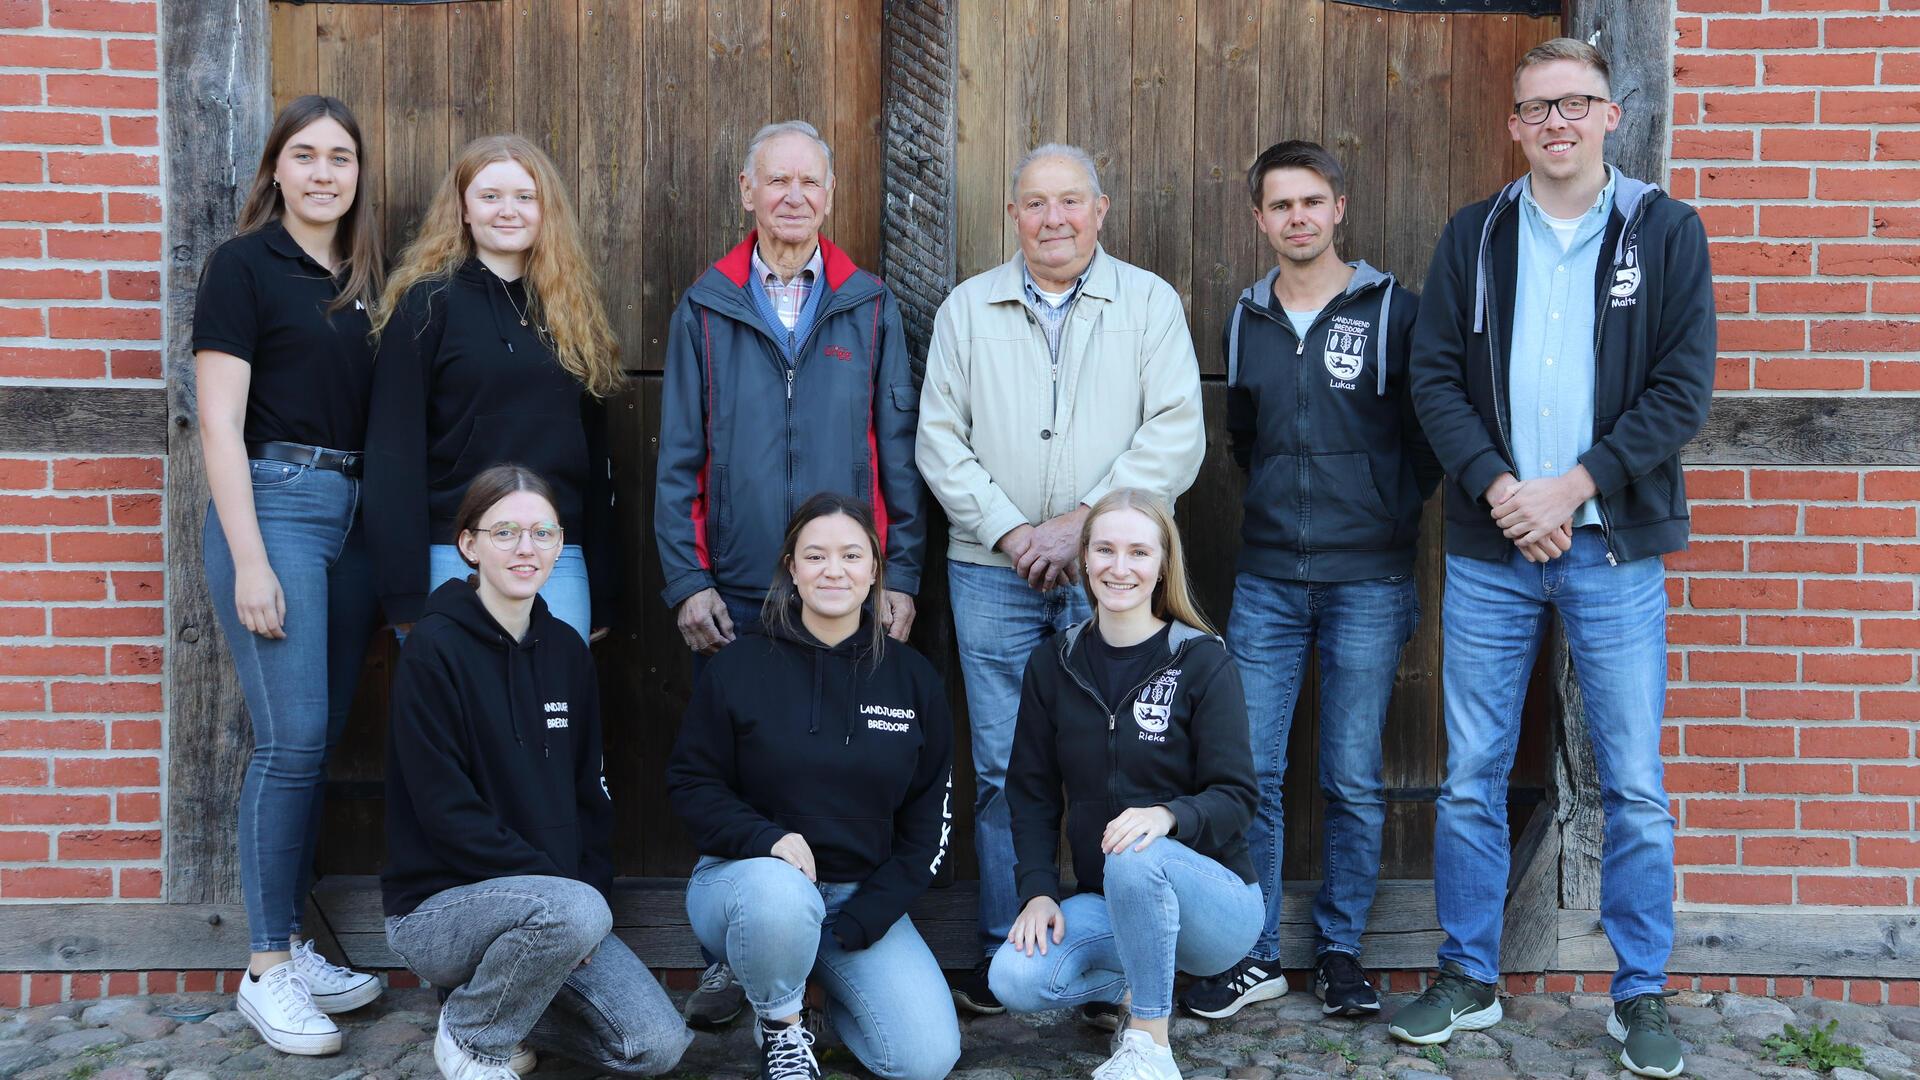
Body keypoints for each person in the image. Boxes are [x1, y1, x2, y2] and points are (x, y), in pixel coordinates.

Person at [1396, 39, 1715, 1080]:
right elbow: (1434, 378)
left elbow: (1682, 393)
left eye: (1576, 104)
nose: (1557, 124)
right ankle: (1467, 976)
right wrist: (1502, 490)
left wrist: (1569, 489)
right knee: (1471, 775)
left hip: (1610, 546)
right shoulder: (1475, 234)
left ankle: (1639, 996)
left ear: (1611, 116)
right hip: (1494, 545)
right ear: (1515, 126)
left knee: (1632, 781)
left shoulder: (1664, 232)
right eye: (1537, 108)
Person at [916, 143, 1205, 1012]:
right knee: (1007, 767)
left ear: (1101, 209)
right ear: (1014, 215)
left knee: (1132, 765)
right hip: (991, 571)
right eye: (1035, 203)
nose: (1054, 219)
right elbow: (940, 439)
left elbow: (1176, 431)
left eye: (1070, 202)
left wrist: (1078, 525)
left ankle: (1124, 965)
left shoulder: (1148, 303)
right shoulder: (968, 309)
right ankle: (1018, 950)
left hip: (1113, 569)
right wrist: (1013, 533)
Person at [656, 118, 926, 1025]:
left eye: (810, 183)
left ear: (830, 195)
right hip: (735, 591)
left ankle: (834, 958)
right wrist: (687, 581)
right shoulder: (706, 305)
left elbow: (896, 457)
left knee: (840, 765)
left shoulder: (870, 306)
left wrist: (902, 574)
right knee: (741, 780)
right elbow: (679, 462)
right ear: (747, 190)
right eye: (776, 182)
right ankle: (744, 951)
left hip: (847, 591)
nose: (793, 198)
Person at [1179, 141, 1442, 1022]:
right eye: (1279, 205)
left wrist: (1381, 512)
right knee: (1249, 771)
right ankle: (1253, 951)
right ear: (1259, 219)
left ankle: (1339, 952)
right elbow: (1243, 441)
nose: (1297, 218)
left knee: (1351, 776)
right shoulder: (1246, 318)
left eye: (1311, 202)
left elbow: (1427, 434)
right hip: (1266, 585)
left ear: (1338, 208)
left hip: (1367, 577)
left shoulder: (1394, 311)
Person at [383, 465, 692, 1080]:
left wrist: (587, 906)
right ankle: (474, 1036)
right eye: (505, 533)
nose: (527, 549)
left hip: (558, 912)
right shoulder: (433, 650)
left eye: (542, 533)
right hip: (439, 910)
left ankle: (485, 1001)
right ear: (469, 545)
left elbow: (590, 798)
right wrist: (568, 903)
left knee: (656, 1047)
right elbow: (446, 813)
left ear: (558, 544)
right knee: (571, 913)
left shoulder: (567, 652)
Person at [194, 93, 387, 1056]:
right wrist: (252, 559)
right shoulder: (243, 266)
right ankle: (267, 966)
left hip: (349, 521)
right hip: (273, 506)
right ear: (275, 169)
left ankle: (296, 946)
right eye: (304, 155)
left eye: (340, 157)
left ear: (358, 174)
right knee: (291, 740)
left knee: (318, 741)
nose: (323, 172)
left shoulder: (361, 277)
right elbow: (220, 424)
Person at [666, 493, 959, 1080]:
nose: (834, 570)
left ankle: (814, 999)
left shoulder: (912, 678)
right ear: (792, 568)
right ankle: (781, 1026)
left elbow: (932, 823)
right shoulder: (739, 666)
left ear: (875, 570)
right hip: (750, 887)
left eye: (852, 555)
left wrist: (863, 919)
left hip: (857, 899)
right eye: (816, 555)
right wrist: (765, 839)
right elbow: (692, 784)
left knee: (924, 1059)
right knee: (779, 896)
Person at [988, 489, 1260, 1080]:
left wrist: (1167, 818)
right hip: (1115, 900)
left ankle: (1150, 1045)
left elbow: (1237, 797)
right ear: (1084, 559)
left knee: (1136, 852)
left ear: (1163, 565)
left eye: (1139, 552)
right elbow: (1030, 793)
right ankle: (1141, 986)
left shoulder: (1200, 660)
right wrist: (1038, 889)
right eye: (1105, 550)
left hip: (1217, 907)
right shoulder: (1053, 663)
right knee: (1013, 977)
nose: (1120, 567)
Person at [366, 134, 621, 644]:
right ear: (462, 209)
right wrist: (404, 594)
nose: (509, 211)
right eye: (490, 196)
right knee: (458, 719)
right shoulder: (425, 305)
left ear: (545, 209)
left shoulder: (572, 312)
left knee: (552, 716)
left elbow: (596, 461)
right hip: (456, 554)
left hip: (555, 555)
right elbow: (393, 453)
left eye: (525, 197)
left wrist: (606, 590)